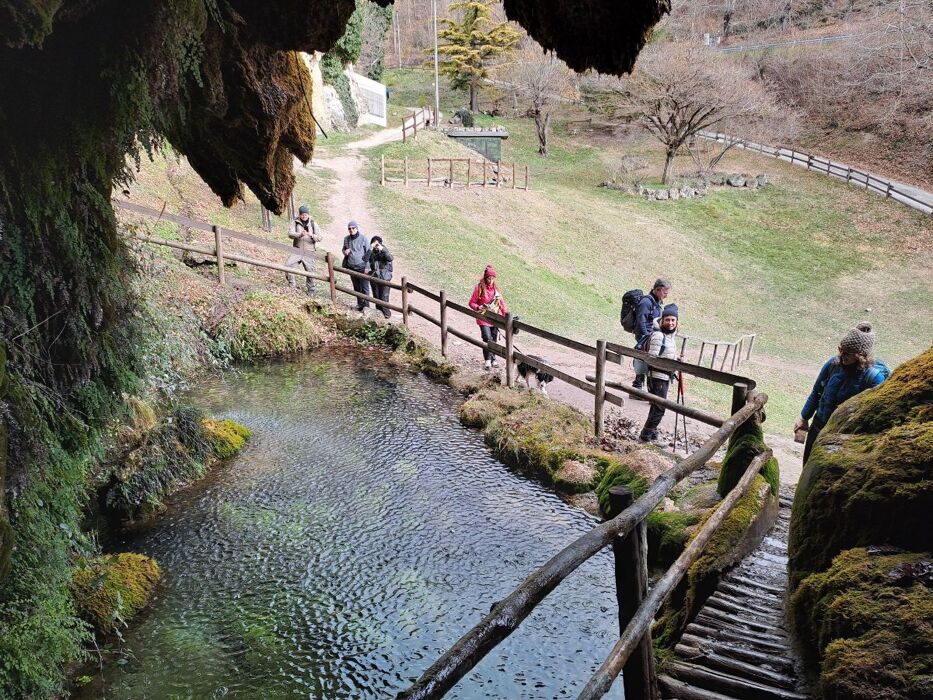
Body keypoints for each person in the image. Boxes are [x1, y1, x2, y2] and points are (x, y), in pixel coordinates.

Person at [794, 322, 890, 464]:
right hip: (818, 426)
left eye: (847, 353)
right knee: (808, 467)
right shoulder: (833, 364)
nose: (842, 355)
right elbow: (817, 391)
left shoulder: (874, 379)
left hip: (842, 437)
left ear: (860, 355)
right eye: (841, 349)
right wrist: (804, 417)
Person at [639, 304, 680, 442]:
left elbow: (665, 355)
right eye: (667, 320)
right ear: (662, 320)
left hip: (664, 376)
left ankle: (652, 433)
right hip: (657, 377)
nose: (670, 323)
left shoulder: (670, 336)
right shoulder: (658, 336)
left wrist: (676, 360)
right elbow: (652, 359)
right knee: (659, 408)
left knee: (656, 407)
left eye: (673, 320)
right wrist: (670, 365)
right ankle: (645, 436)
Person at [633, 278, 672, 389]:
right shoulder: (646, 302)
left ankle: (642, 387)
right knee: (643, 361)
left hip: (652, 337)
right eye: (665, 293)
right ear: (658, 290)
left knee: (648, 361)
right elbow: (641, 321)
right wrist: (647, 338)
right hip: (645, 338)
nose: (666, 296)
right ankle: (637, 388)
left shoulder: (656, 302)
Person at [468, 265, 507, 370]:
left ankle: (493, 359)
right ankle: (488, 361)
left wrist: (505, 316)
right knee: (486, 337)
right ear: (485, 278)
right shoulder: (479, 288)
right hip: (483, 317)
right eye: (489, 278)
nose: (491, 281)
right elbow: (471, 303)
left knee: (493, 339)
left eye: (492, 278)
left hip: (494, 318)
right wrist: (478, 307)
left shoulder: (496, 290)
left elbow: (501, 304)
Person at [285, 204, 322, 295]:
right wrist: (300, 234)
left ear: (308, 214)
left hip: (309, 251)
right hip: (297, 250)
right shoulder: (295, 222)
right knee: (288, 266)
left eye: (305, 214)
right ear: (299, 214)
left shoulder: (313, 223)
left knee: (310, 271)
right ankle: (292, 286)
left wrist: (311, 235)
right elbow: (290, 234)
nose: (304, 216)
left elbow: (320, 238)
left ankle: (311, 290)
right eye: (302, 214)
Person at [342, 220, 371, 312]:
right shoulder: (346, 239)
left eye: (353, 228)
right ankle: (360, 304)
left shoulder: (363, 238)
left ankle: (366, 306)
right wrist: (345, 252)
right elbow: (343, 249)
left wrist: (367, 267)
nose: (351, 230)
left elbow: (369, 252)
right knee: (356, 287)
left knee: (365, 287)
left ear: (357, 228)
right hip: (352, 267)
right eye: (349, 228)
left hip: (362, 267)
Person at [368, 235, 394, 319]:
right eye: (374, 244)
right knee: (376, 297)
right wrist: (370, 248)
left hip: (385, 277)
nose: (376, 246)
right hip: (374, 277)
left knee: (384, 297)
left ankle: (387, 315)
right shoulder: (371, 252)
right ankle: (379, 315)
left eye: (377, 244)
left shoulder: (384, 251)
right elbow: (364, 259)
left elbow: (390, 258)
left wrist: (382, 249)